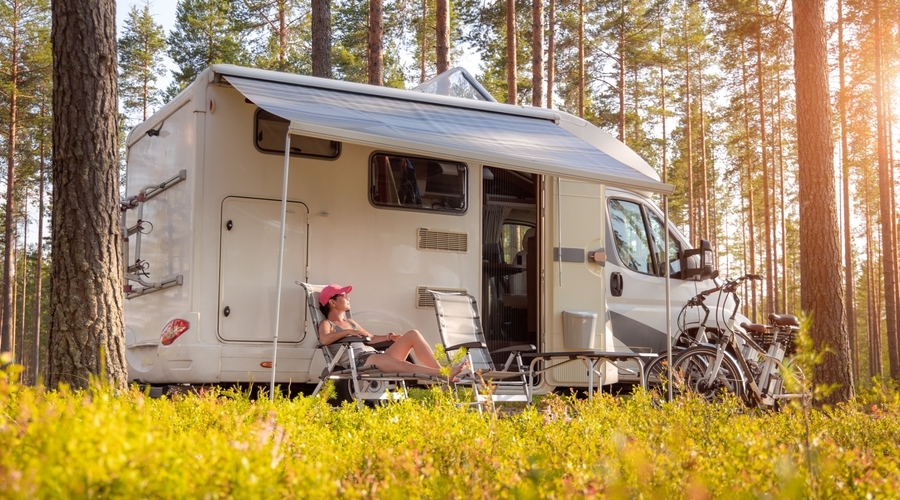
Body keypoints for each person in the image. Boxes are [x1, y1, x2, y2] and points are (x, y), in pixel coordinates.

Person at [317, 284, 467, 381]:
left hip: (374, 356)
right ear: (332, 302)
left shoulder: (351, 322)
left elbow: (371, 338)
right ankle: (442, 375)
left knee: (413, 334)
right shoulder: (327, 324)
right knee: (403, 365)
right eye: (343, 295)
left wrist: (389, 337)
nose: (348, 297)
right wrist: (347, 332)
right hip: (360, 361)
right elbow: (324, 340)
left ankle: (442, 371)